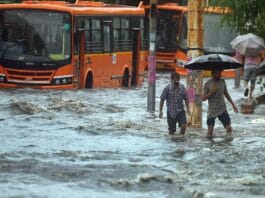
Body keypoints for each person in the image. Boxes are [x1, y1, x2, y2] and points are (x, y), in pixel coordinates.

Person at [202, 70, 238, 137]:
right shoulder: (207, 84)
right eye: (217, 72)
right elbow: (203, 98)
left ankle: (228, 145)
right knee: (209, 132)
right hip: (212, 111)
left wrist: (233, 105)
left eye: (220, 72)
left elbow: (226, 94)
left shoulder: (222, 82)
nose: (219, 74)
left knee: (229, 129)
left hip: (222, 109)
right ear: (212, 73)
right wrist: (211, 92)